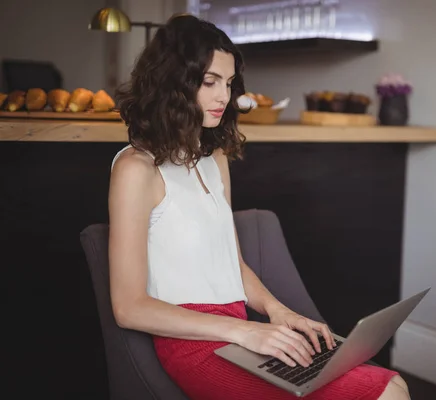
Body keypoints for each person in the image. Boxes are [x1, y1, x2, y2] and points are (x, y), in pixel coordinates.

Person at [108, 14, 411, 400]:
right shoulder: (136, 169)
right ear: (173, 83)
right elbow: (129, 308)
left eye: (230, 83)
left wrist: (277, 310)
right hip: (194, 345)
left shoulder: (212, 157)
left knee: (392, 383)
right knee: (384, 395)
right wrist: (244, 331)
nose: (224, 97)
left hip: (242, 334)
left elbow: (231, 262)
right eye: (209, 81)